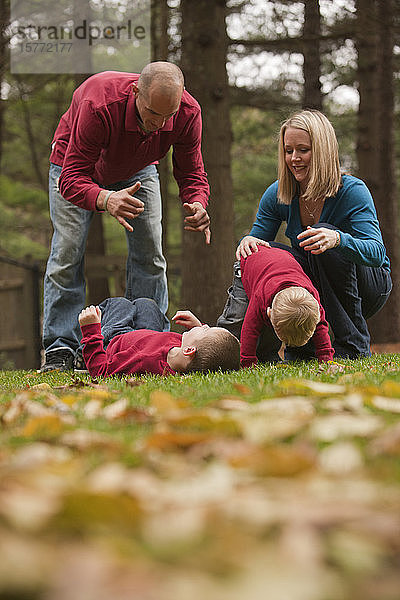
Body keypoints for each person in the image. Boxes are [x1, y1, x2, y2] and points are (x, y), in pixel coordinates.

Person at [41, 61, 211, 372]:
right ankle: (60, 348)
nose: (160, 124)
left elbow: (192, 171)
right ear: (135, 93)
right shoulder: (99, 103)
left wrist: (198, 202)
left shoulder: (188, 112)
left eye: (167, 116)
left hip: (138, 168)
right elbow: (71, 179)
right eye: (152, 114)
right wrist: (106, 198)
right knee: (68, 252)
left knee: (151, 253)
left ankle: (146, 341)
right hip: (76, 167)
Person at [220, 110, 392, 360]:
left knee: (325, 236)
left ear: (322, 150)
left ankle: (352, 346)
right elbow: (258, 243)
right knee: (267, 251)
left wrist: (339, 240)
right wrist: (247, 241)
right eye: (289, 151)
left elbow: (376, 254)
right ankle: (291, 347)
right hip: (316, 281)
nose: (294, 159)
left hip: (368, 288)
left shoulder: (353, 191)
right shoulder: (279, 193)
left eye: (303, 150)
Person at [226, 245, 334, 366]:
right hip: (248, 261)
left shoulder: (313, 302)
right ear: (269, 312)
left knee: (273, 325)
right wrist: (247, 362)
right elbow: (250, 330)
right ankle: (223, 348)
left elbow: (321, 328)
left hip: (281, 261)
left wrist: (326, 359)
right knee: (237, 317)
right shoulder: (259, 298)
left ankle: (267, 357)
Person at [78, 297, 240, 377]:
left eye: (206, 329)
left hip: (117, 340)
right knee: (147, 304)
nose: (204, 325)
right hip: (148, 336)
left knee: (120, 304)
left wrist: (91, 331)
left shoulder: (144, 360)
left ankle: (81, 351)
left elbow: (101, 371)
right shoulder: (184, 355)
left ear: (189, 350)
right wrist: (196, 327)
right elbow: (207, 349)